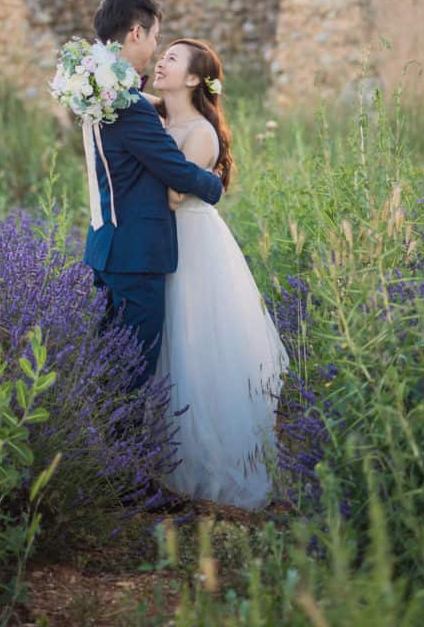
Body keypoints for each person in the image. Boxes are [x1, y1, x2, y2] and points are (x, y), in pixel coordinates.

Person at [151, 38, 288, 510]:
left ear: (193, 79)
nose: (160, 62)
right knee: (172, 346)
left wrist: (152, 149)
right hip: (167, 241)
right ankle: (171, 464)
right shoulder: (160, 117)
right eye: (160, 54)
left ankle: (212, 471)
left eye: (172, 59)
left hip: (193, 243)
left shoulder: (200, 132)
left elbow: (173, 195)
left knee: (198, 346)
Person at [82, 0, 224, 388]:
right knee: (131, 373)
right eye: (156, 37)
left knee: (111, 365)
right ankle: (120, 446)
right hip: (135, 254)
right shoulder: (128, 104)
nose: (157, 49)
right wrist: (214, 186)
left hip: (109, 244)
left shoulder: (98, 91)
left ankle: (109, 442)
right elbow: (174, 169)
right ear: (136, 33)